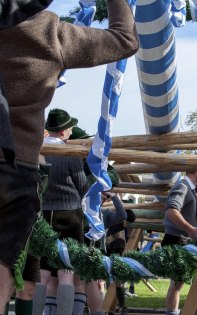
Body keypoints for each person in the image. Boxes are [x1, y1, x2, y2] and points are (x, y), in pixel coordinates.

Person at [0, 0, 138, 312]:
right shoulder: (49, 32)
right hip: (20, 166)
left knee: (45, 276)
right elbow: (124, 39)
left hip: (29, 182)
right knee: (47, 272)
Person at [37, 108, 89, 315]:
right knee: (66, 272)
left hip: (43, 214)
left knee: (41, 274)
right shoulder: (69, 153)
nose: (72, 130)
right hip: (69, 215)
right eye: (70, 128)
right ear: (63, 131)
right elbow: (83, 186)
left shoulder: (37, 151)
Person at [161, 169, 197, 315]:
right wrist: (190, 229)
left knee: (178, 283)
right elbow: (171, 210)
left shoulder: (187, 187)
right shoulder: (183, 186)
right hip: (176, 240)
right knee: (177, 284)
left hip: (179, 239)